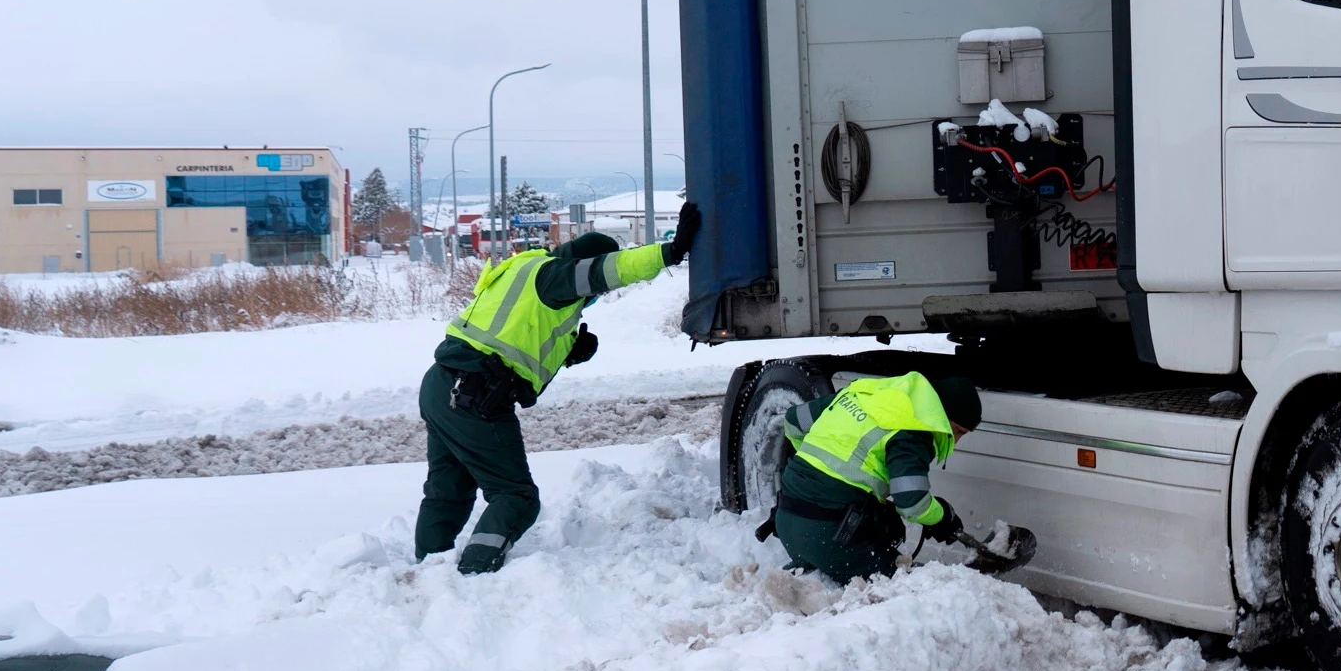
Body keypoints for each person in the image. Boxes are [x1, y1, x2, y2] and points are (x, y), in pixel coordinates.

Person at [416, 201, 699, 574]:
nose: (593, 297)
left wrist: (568, 352)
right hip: (473, 394)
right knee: (516, 497)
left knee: (448, 488)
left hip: (442, 385)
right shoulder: (555, 276)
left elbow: (514, 345)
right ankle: (475, 575)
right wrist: (670, 252)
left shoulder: (524, 271)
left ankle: (426, 568)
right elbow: (609, 270)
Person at [766, 370, 1033, 582]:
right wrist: (943, 518)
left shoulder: (866, 394)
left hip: (787, 521)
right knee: (906, 587)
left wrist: (815, 469)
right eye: (958, 431)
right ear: (942, 416)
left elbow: (793, 421)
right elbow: (912, 503)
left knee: (881, 515)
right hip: (830, 537)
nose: (957, 440)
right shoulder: (913, 430)